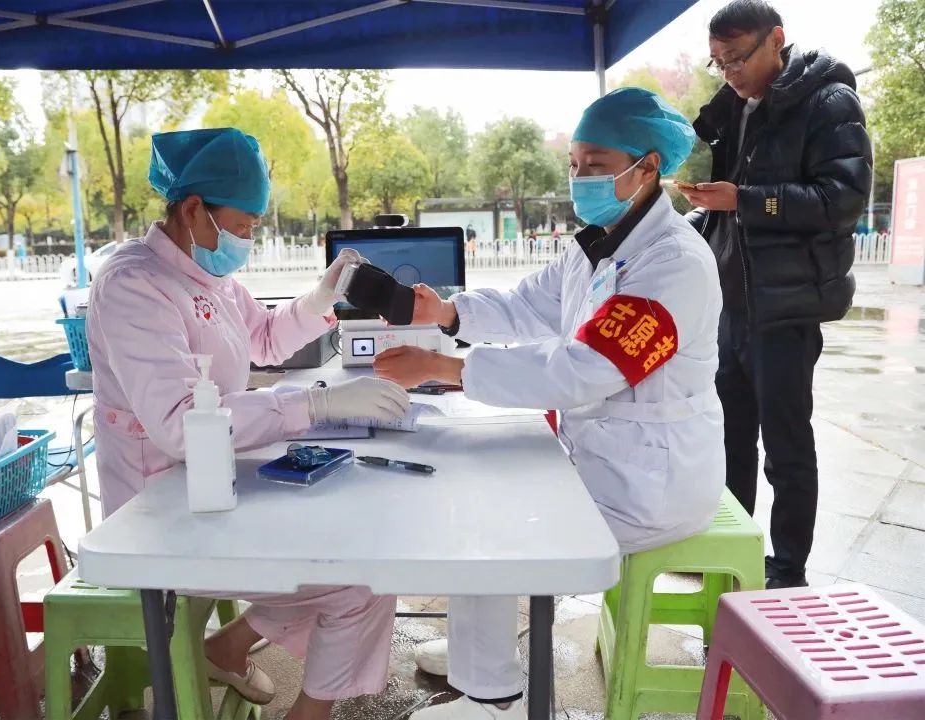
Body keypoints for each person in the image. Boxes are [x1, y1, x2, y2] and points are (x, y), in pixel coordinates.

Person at [373, 88, 724, 720]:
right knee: (476, 484)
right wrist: (447, 312)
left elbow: (588, 370)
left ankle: (495, 700)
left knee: (491, 525)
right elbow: (526, 306)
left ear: (647, 167)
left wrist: (448, 370)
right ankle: (480, 652)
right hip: (601, 454)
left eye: (597, 165)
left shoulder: (672, 264)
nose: (580, 178)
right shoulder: (599, 243)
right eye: (574, 164)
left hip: (649, 481)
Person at [87, 128, 409, 720]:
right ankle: (306, 712)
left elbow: (263, 339)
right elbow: (180, 423)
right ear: (192, 209)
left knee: (354, 539)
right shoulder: (133, 284)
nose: (249, 238)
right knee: (359, 576)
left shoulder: (209, 277)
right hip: (158, 509)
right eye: (243, 224)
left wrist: (321, 300)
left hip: (213, 481)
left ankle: (229, 647)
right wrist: (316, 404)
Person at [677, 0, 872, 589]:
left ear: (776, 40)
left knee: (786, 449)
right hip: (731, 302)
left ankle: (787, 569)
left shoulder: (828, 102)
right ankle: (727, 553)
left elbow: (843, 200)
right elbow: (730, 206)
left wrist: (744, 199)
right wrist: (695, 221)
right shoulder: (735, 109)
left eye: (737, 58)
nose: (729, 72)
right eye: (718, 62)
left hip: (785, 308)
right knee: (727, 440)